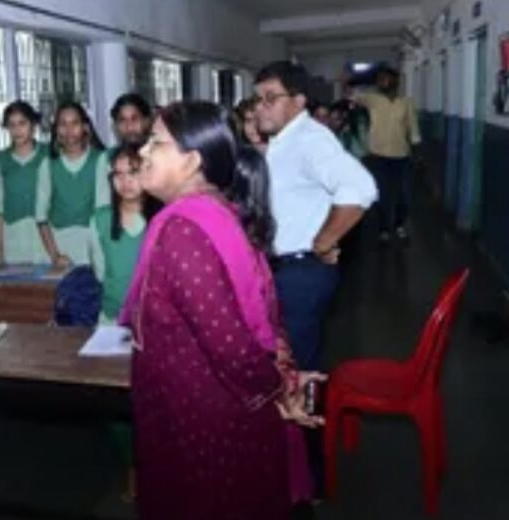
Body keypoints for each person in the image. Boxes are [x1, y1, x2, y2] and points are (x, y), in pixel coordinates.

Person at [119, 100, 322, 520]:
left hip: (203, 426)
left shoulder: (184, 232)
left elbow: (230, 345)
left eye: (156, 142)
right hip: (205, 412)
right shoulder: (216, 216)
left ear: (192, 161)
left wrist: (278, 388)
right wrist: (281, 379)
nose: (143, 151)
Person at [254, 60, 377, 501]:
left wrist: (324, 239)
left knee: (300, 372)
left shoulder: (309, 139)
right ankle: (296, 468)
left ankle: (310, 479)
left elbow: (360, 189)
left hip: (301, 273)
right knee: (292, 369)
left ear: (299, 101)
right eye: (258, 99)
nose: (261, 107)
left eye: (271, 98)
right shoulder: (284, 142)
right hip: (290, 268)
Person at [89, 143, 159, 323]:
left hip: (153, 318)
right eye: (118, 174)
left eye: (133, 173)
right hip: (112, 315)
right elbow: (100, 272)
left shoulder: (162, 219)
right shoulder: (100, 219)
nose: (125, 181)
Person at [352, 65, 422, 242]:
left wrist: (417, 152)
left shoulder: (406, 102)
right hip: (378, 156)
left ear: (395, 81)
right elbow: (352, 95)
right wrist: (363, 77)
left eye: (385, 78)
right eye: (379, 79)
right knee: (382, 194)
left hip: (402, 156)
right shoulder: (372, 99)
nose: (382, 82)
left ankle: (399, 225)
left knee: (404, 194)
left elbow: (413, 128)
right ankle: (383, 228)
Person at [36, 101, 109, 266]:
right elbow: (41, 217)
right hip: (56, 246)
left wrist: (99, 252)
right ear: (56, 129)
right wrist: (55, 256)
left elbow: (103, 211)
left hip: (92, 243)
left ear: (85, 127)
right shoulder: (47, 164)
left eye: (75, 123)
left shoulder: (100, 160)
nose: (69, 130)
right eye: (63, 124)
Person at [0, 100, 49, 267]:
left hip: (48, 237)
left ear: (33, 125)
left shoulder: (49, 154)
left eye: (22, 123)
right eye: (12, 125)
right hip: (14, 240)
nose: (17, 130)